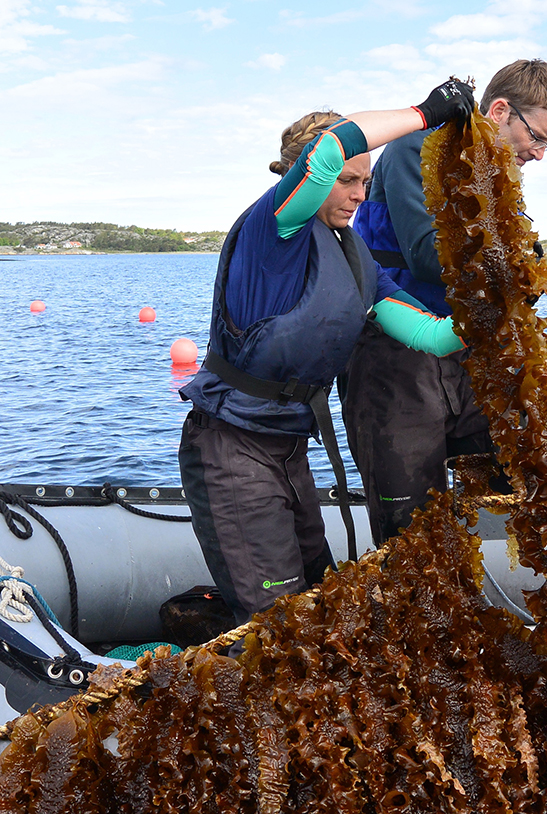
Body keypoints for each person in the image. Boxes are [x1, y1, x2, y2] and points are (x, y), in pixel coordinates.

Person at [178, 80, 475, 626]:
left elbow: (433, 336)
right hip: (231, 448)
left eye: (366, 180)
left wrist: (508, 307)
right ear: (309, 179)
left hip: (290, 451)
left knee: (319, 607)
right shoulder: (276, 229)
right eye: (347, 181)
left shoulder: (357, 258)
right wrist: (426, 113)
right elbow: (329, 152)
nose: (360, 194)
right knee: (279, 625)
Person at [342, 59, 547, 547]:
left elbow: (517, 253)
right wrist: (530, 277)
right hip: (395, 362)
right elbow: (429, 256)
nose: (540, 153)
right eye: (537, 137)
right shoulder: (415, 150)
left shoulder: (496, 180)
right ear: (501, 109)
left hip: (473, 359)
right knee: (412, 533)